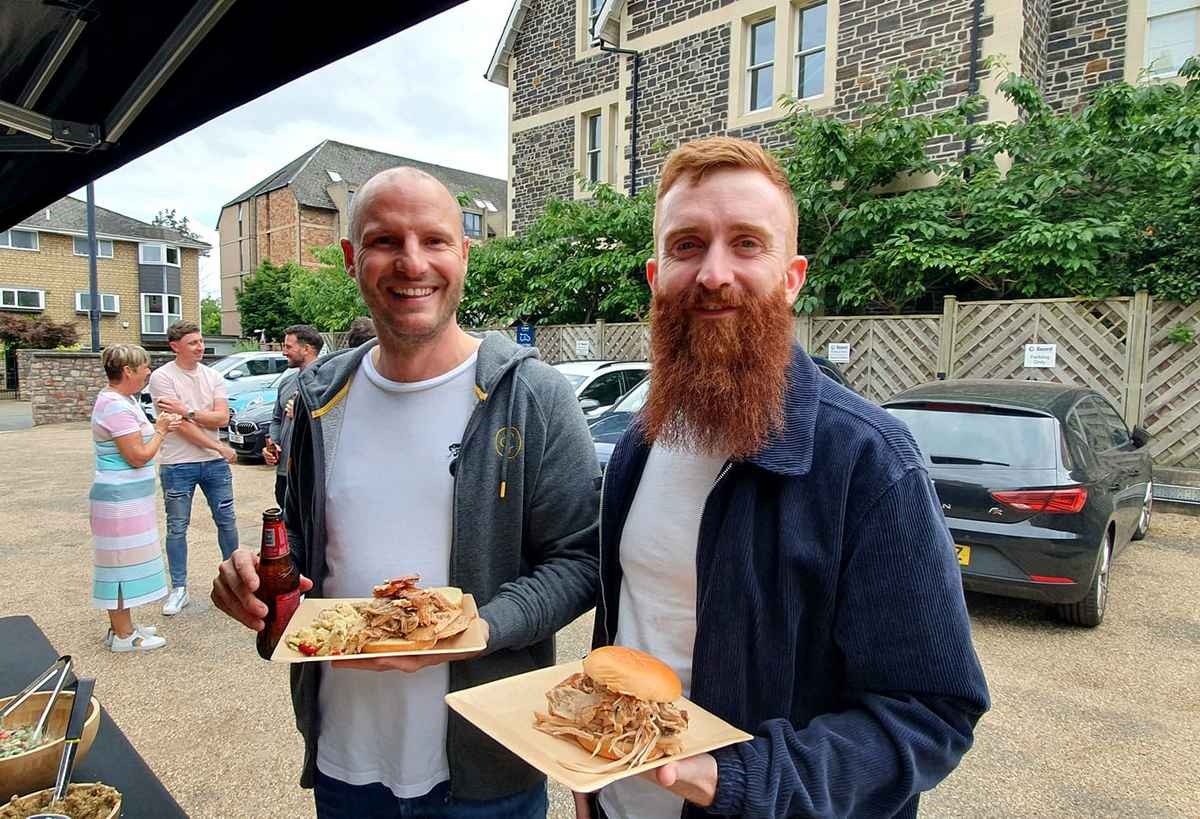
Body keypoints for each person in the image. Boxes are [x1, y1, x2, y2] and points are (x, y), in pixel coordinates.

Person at [584, 137, 990, 819]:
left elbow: (932, 712)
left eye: (747, 243)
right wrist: (590, 783)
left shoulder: (867, 461)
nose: (714, 272)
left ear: (793, 275)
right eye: (687, 245)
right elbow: (623, 639)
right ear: (656, 275)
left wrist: (733, 778)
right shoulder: (637, 447)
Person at [212, 166, 599, 818]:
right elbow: (304, 550)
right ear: (351, 258)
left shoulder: (533, 397)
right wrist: (255, 580)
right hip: (344, 762)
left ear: (465, 253)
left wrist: (478, 626)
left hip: (485, 774)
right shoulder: (316, 399)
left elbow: (580, 559)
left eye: (435, 240)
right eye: (386, 240)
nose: (412, 261)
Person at [90, 345, 181, 652]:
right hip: (119, 502)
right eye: (144, 367)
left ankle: (123, 626)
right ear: (127, 371)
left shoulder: (122, 401)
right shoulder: (114, 405)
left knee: (127, 562)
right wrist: (161, 430)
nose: (148, 372)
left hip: (129, 500)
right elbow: (138, 456)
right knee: (119, 564)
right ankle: (124, 635)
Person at [149, 321, 239, 616]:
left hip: (213, 466)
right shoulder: (162, 378)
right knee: (177, 527)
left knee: (226, 521)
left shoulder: (212, 375)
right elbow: (180, 429)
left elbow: (222, 418)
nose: (200, 347)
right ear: (175, 346)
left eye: (200, 342)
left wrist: (188, 411)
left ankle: (236, 583)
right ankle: (179, 588)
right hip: (178, 464)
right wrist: (218, 446)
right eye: (192, 343)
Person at [263, 324, 324, 509]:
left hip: (312, 476)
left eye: (288, 347)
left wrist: (302, 414)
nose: (283, 352)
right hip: (284, 474)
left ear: (306, 349)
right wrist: (272, 445)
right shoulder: (287, 382)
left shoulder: (327, 383)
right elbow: (276, 419)